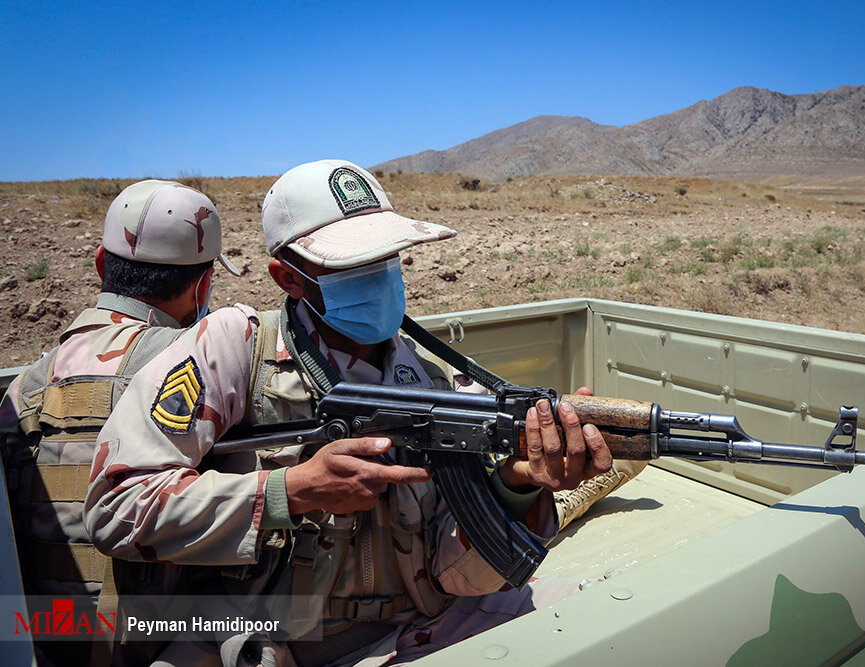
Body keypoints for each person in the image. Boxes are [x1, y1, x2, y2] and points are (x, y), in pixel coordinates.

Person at [84, 160, 628, 666]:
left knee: (612, 628)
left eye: (387, 257)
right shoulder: (234, 350)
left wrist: (518, 488)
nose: (380, 276)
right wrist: (291, 490)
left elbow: (458, 572)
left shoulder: (432, 375)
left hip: (429, 627)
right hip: (270, 647)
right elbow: (115, 507)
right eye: (352, 264)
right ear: (288, 278)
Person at [0, 179, 240, 666]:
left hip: (41, 640)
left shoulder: (26, 385)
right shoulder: (193, 367)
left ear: (100, 264)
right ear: (203, 285)